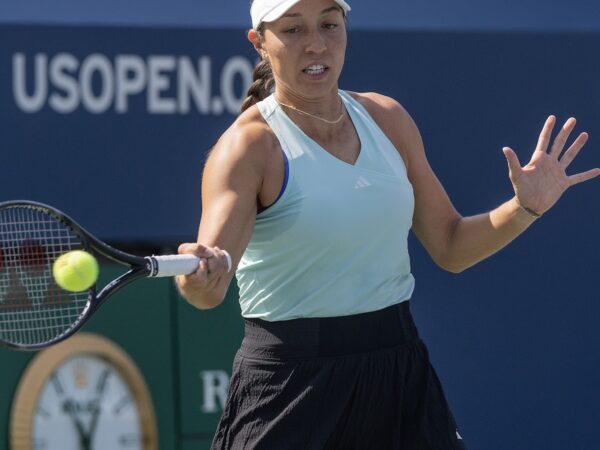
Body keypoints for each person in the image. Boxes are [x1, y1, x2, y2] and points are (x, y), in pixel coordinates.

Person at [175, 0, 600, 448]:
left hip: (399, 376)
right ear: (259, 42)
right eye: (293, 30)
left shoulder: (387, 119)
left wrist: (523, 207)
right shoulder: (247, 148)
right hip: (290, 387)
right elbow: (209, 285)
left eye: (329, 25)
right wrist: (198, 274)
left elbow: (451, 245)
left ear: (346, 29)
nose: (316, 44)